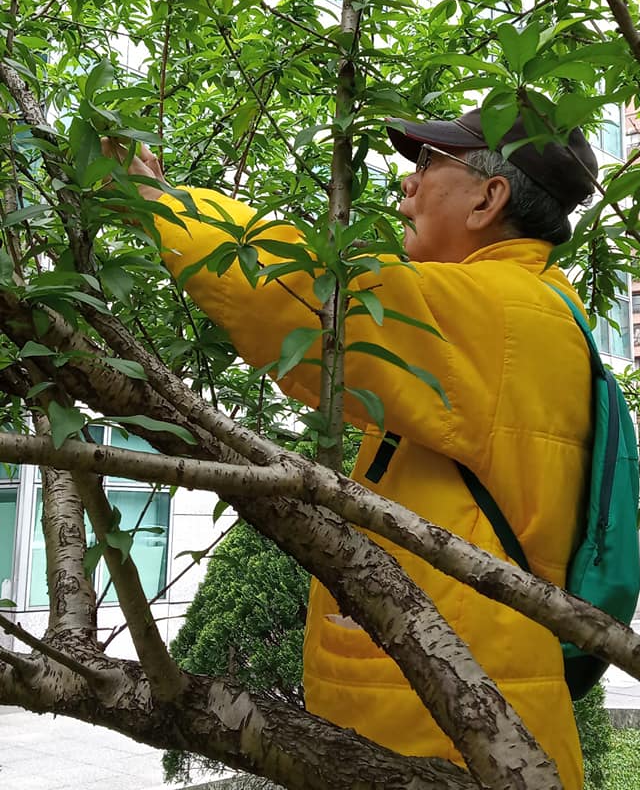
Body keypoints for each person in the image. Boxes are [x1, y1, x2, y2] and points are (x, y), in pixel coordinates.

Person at [103, 106, 598, 789]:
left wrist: (161, 204)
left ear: (489, 198)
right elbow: (332, 364)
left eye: (427, 165)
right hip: (467, 700)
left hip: (444, 726)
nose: (407, 184)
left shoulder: (499, 312)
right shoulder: (525, 305)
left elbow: (305, 293)